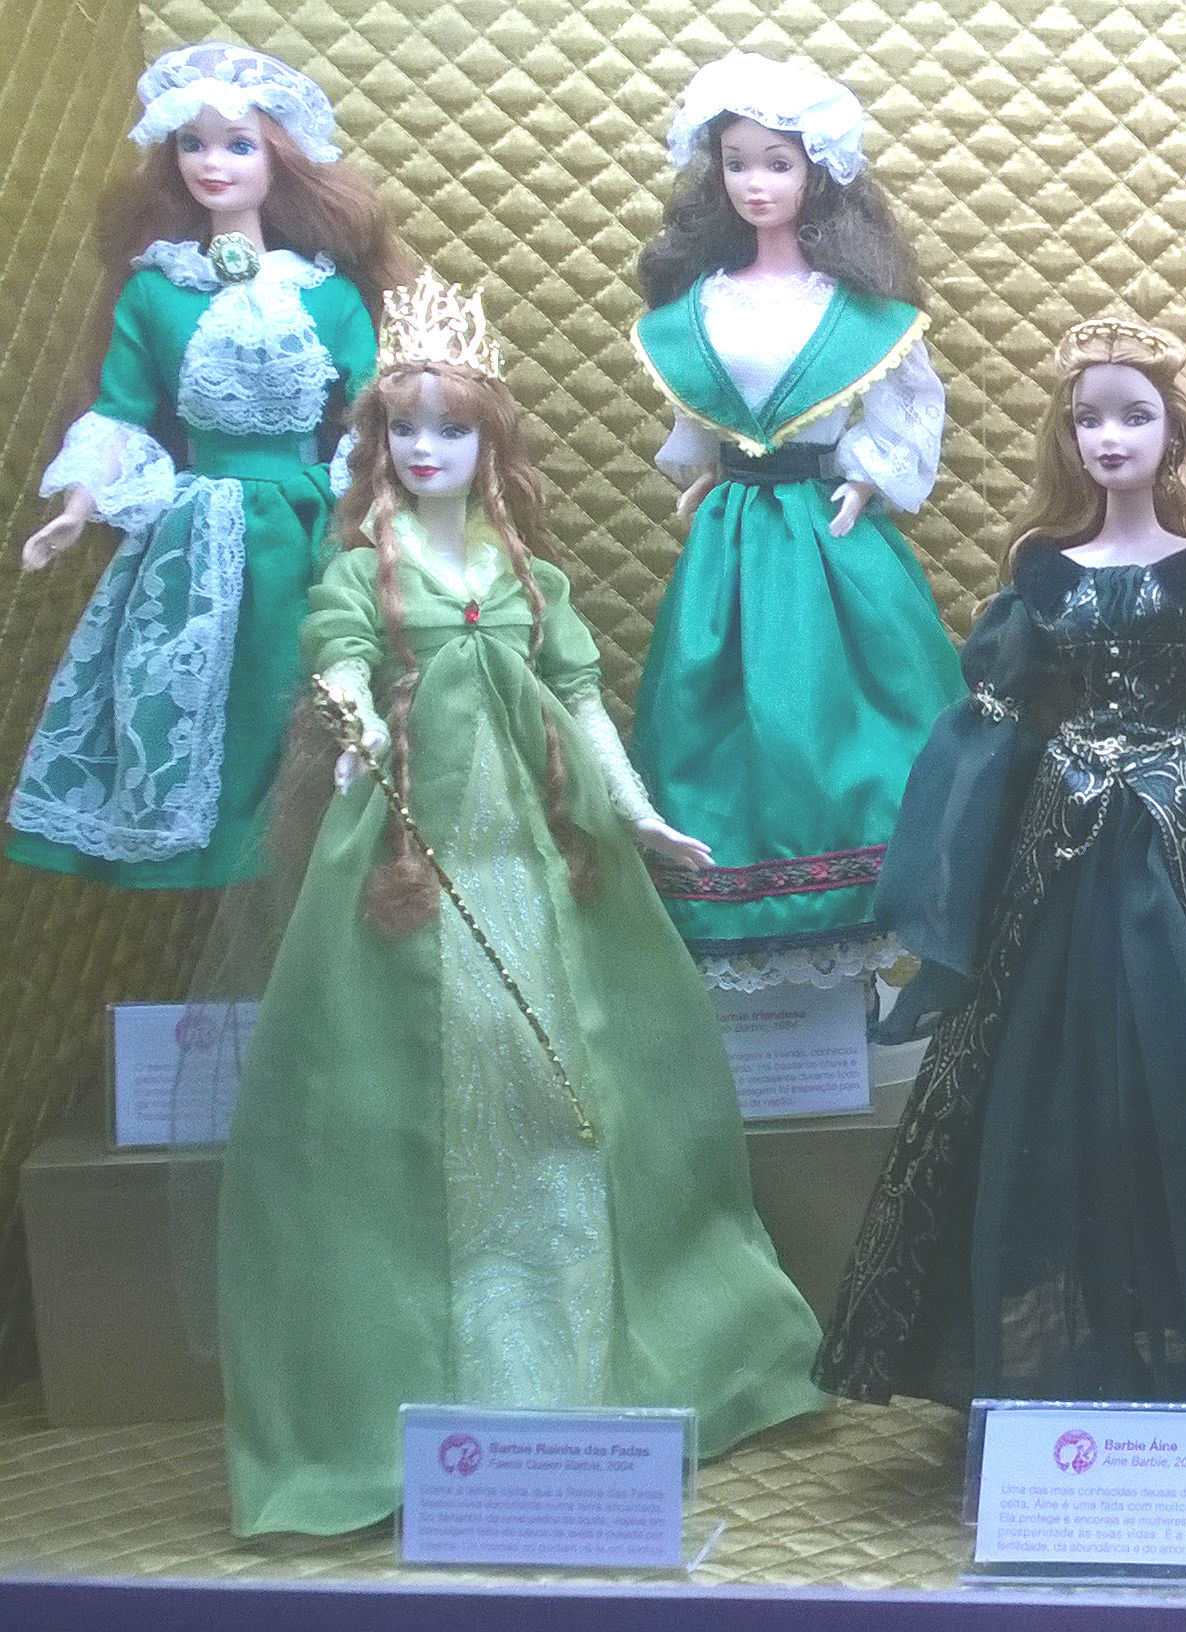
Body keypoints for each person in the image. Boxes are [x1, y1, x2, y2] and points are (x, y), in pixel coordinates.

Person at [212, 274, 821, 1535]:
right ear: (379, 443)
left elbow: (582, 702)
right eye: (405, 429)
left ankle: (582, 1363)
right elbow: (338, 666)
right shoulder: (366, 571)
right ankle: (442, 1383)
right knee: (415, 1087)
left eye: (452, 428)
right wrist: (348, 727)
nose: (427, 449)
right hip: (411, 859)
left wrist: (638, 814)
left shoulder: (528, 575)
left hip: (545, 860)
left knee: (570, 1083)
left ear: (492, 444)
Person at [814, 320, 1186, 1523]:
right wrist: (946, 864)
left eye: (1134, 415)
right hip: (1063, 856)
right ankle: (1073, 1360)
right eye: (1089, 418)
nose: (1111, 437)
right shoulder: (1043, 571)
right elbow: (989, 725)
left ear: (1176, 430)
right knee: (1047, 1083)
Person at [11, 43, 397, 887]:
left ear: (282, 160)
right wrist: (78, 505)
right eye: (192, 144)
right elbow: (119, 409)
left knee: (306, 682)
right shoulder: (156, 289)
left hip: (308, 520)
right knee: (200, 693)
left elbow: (374, 414)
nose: (211, 163)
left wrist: (374, 504)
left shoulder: (326, 293)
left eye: (238, 145)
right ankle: (219, 859)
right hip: (198, 533)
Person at [630, 51, 963, 988]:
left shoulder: (854, 309)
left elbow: (904, 403)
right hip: (733, 534)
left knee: (843, 710)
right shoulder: (704, 303)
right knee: (717, 706)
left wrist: (867, 479)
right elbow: (702, 408)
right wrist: (703, 470)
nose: (756, 183)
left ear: (818, 172)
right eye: (737, 162)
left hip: (829, 533)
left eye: (777, 163)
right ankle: (739, 899)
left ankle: (857, 897)